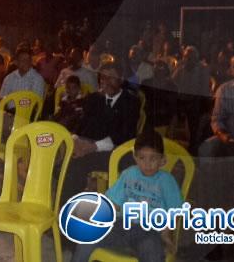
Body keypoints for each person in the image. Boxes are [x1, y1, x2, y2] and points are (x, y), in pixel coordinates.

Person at [72, 131, 183, 262]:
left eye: (153, 158)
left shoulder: (166, 180)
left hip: (149, 231)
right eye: (142, 158)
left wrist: (166, 231)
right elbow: (114, 203)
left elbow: (175, 211)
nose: (147, 164)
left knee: (152, 251)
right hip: (121, 225)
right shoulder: (129, 174)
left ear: (162, 160)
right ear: (135, 158)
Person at [60, 62, 140, 204]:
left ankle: (67, 206)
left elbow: (124, 135)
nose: (106, 82)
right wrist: (75, 140)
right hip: (91, 147)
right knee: (62, 156)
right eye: (103, 78)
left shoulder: (131, 102)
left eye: (111, 78)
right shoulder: (94, 98)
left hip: (118, 151)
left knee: (76, 164)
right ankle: (68, 197)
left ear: (121, 79)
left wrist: (92, 147)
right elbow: (82, 124)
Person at [171, 45, 211, 152]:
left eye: (190, 58)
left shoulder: (202, 70)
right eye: (185, 57)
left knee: (194, 109)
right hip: (181, 100)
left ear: (196, 59)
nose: (187, 60)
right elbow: (172, 83)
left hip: (196, 101)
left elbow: (204, 91)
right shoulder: (181, 67)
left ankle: (193, 146)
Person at [141, 60, 178, 129]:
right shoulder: (146, 83)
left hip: (164, 120)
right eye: (155, 65)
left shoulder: (172, 86)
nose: (157, 68)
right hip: (148, 119)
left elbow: (173, 106)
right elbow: (142, 101)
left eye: (161, 66)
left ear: (166, 70)